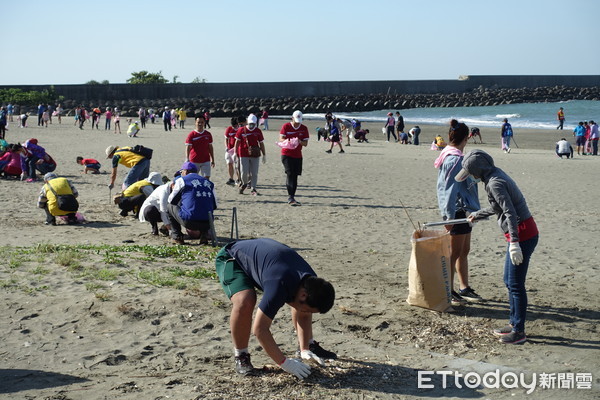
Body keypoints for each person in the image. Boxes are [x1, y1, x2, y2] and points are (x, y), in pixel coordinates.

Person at [215, 238, 336, 377]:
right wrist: (284, 363)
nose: (307, 313)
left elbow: (303, 313)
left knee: (302, 307)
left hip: (265, 261)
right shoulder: (279, 283)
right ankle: (241, 356)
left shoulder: (311, 283)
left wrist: (304, 349)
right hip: (232, 258)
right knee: (245, 301)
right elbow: (260, 329)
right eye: (308, 310)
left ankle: (308, 346)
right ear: (303, 294)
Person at [457, 149, 539, 345]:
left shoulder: (495, 183)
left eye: (471, 174)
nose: (472, 178)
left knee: (516, 284)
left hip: (523, 234)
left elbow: (510, 213)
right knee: (508, 280)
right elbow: (498, 207)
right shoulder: (494, 175)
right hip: (521, 233)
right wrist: (478, 214)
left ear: (478, 171)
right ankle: (513, 323)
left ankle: (519, 331)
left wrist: (514, 242)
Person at [434, 120, 482, 306]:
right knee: (453, 253)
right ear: (466, 138)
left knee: (464, 250)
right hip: (458, 211)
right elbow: (447, 189)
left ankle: (464, 287)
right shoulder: (454, 159)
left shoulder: (453, 156)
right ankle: (449, 290)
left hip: (466, 209)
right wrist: (448, 216)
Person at [167, 161, 217, 244]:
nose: (181, 174)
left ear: (185, 171)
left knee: (169, 207)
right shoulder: (209, 183)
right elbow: (215, 205)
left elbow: (171, 200)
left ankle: (177, 236)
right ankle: (204, 234)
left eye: (181, 172)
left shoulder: (182, 180)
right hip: (208, 222)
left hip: (190, 221)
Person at [279, 110, 309, 206]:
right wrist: (289, 140)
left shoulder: (304, 128)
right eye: (295, 121)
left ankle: (292, 196)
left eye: (299, 122)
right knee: (290, 173)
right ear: (292, 118)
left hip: (297, 155)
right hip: (286, 153)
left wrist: (299, 141)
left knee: (295, 176)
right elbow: (281, 138)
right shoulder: (286, 126)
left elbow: (305, 144)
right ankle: (290, 197)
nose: (297, 124)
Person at [235, 114, 266, 195]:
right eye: (250, 123)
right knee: (244, 172)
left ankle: (253, 188)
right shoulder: (241, 130)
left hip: (255, 154)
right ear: (247, 122)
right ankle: (244, 183)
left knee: (254, 173)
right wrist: (235, 153)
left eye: (253, 124)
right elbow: (237, 142)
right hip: (243, 153)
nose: (251, 125)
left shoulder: (258, 131)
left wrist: (264, 155)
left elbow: (261, 143)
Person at [185, 115, 215, 180]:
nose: (200, 124)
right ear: (195, 122)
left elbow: (210, 147)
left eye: (202, 122)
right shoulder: (191, 134)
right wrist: (187, 159)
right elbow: (188, 147)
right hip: (194, 160)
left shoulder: (208, 134)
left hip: (206, 160)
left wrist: (212, 159)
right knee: (193, 179)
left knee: (206, 178)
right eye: (198, 122)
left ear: (204, 123)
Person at [224, 116, 242, 185]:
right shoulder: (229, 129)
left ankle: (239, 178)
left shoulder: (240, 129)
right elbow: (226, 139)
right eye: (234, 126)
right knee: (229, 163)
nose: (235, 127)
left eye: (236, 126)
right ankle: (231, 178)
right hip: (229, 149)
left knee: (237, 165)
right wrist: (226, 146)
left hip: (237, 149)